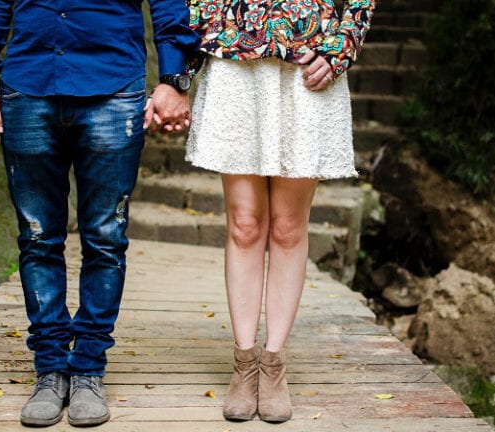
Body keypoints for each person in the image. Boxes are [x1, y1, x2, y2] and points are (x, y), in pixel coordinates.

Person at [0, 1, 199, 427]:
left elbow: (169, 3)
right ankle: (51, 369)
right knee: (37, 237)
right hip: (28, 86)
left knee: (106, 239)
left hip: (113, 88)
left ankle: (88, 367)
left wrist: (173, 78)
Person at [186, 0, 375, 423]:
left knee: (288, 228)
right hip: (235, 61)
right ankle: (244, 362)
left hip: (308, 66)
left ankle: (273, 365)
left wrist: (339, 47)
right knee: (245, 225)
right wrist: (198, 45)